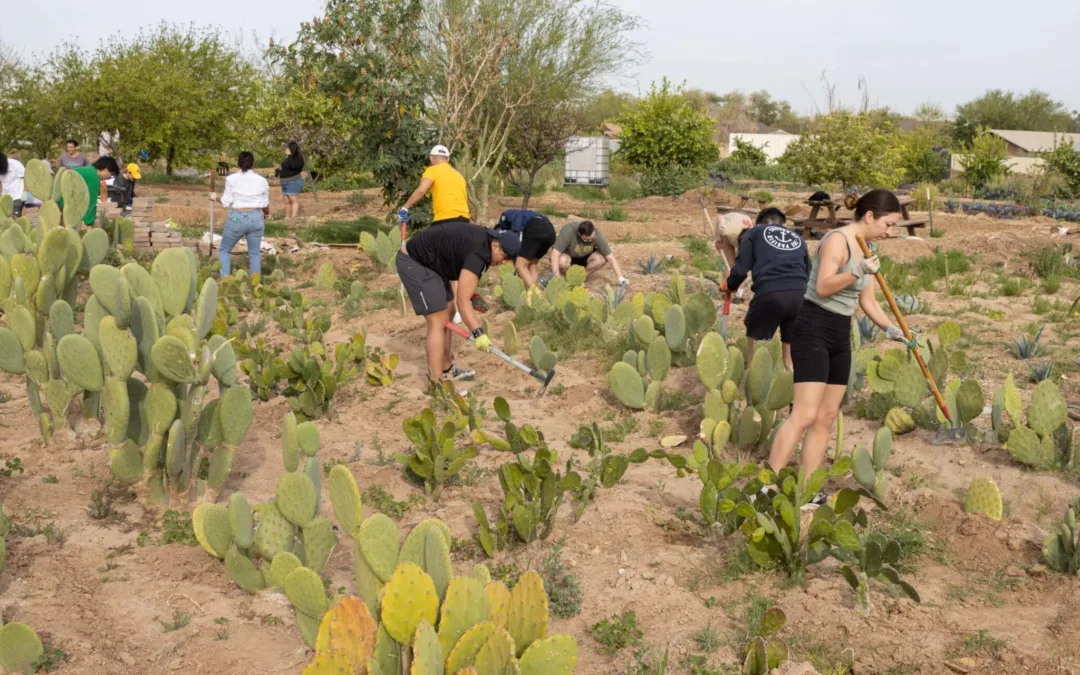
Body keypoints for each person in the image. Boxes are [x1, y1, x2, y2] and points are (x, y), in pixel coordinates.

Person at [766, 190, 918, 500]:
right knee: (804, 415)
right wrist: (856, 270)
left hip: (840, 332)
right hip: (812, 328)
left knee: (825, 418)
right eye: (888, 225)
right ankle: (765, 487)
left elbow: (867, 300)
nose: (890, 233)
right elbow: (822, 287)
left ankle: (807, 492)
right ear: (870, 216)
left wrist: (892, 330)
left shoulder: (869, 247)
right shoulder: (837, 240)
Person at [396, 221, 520, 382]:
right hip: (414, 261)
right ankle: (437, 384)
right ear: (496, 246)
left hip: (433, 263)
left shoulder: (487, 242)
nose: (504, 262)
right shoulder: (479, 255)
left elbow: (464, 281)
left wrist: (472, 295)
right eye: (506, 257)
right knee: (438, 321)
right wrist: (479, 333)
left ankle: (446, 367)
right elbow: (462, 300)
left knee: (449, 309)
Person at [719, 208, 810, 372]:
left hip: (770, 292)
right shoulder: (798, 238)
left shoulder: (753, 233)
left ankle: (752, 378)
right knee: (789, 358)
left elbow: (740, 270)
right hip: (800, 295)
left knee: (756, 348)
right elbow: (808, 271)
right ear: (783, 223)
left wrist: (730, 285)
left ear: (758, 222)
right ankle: (792, 386)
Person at [218, 151, 270, 276]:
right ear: (253, 163)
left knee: (224, 249)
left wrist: (215, 197)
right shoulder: (262, 181)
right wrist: (267, 214)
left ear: (238, 163)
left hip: (237, 216)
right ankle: (255, 284)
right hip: (256, 216)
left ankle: (225, 281)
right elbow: (265, 204)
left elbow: (226, 202)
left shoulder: (231, 179)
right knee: (254, 253)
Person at [398, 145, 470, 226]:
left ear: (431, 158)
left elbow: (421, 190)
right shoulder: (459, 175)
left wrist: (405, 208)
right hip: (465, 220)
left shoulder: (432, 170)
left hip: (445, 218)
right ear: (448, 159)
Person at [550, 220, 628, 285]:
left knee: (602, 258)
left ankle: (580, 278)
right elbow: (554, 254)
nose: (590, 241)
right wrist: (556, 280)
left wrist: (620, 278)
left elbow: (610, 257)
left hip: (586, 257)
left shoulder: (597, 235)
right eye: (586, 240)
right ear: (579, 234)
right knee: (561, 261)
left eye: (592, 238)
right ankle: (570, 277)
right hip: (569, 255)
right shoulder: (568, 230)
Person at [495, 209, 556, 288]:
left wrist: (514, 257)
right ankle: (532, 295)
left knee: (520, 266)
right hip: (550, 232)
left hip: (536, 228)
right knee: (532, 264)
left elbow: (515, 236)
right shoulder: (526, 215)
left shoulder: (506, 216)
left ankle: (534, 293)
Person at [60, 156, 119, 227]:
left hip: (59, 201)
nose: (109, 177)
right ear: (106, 169)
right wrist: (89, 224)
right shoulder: (94, 178)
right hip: (62, 204)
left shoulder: (89, 170)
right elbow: (90, 202)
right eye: (111, 173)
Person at [276, 141, 305, 218]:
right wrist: (279, 170)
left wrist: (289, 155)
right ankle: (287, 218)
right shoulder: (289, 158)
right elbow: (286, 166)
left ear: (291, 148)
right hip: (284, 182)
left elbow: (294, 166)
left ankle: (294, 218)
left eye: (287, 147)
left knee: (293, 200)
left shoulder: (297, 158)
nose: (286, 149)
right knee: (287, 201)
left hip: (293, 181)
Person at [0, 152, 26, 217]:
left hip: (18, 197)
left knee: (16, 218)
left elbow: (26, 178)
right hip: (5, 198)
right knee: (7, 219)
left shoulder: (15, 164)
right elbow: (1, 182)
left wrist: (25, 194)